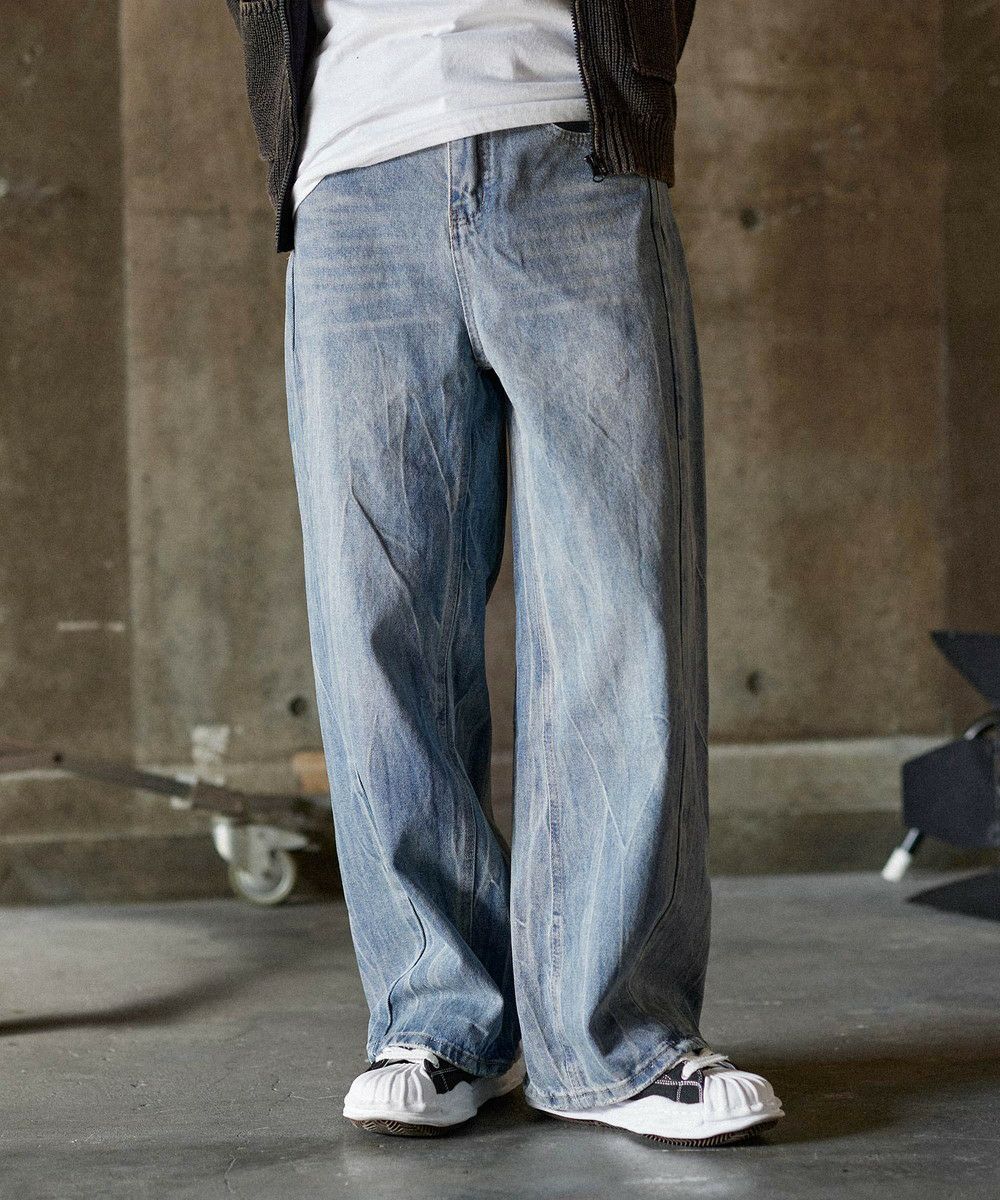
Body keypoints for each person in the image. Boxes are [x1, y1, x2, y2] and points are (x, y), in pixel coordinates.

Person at [225, 0, 784, 1146]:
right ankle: (438, 1017)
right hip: (351, 165)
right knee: (379, 625)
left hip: (572, 135)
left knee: (617, 610)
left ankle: (614, 1038)